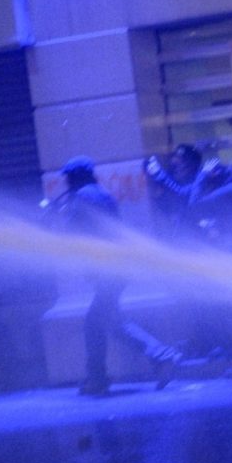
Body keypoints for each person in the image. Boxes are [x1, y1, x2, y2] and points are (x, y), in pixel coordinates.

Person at [55, 156, 182, 396]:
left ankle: (99, 379)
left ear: (74, 177)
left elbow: (73, 232)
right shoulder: (101, 194)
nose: (65, 183)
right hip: (116, 269)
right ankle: (161, 356)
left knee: (94, 324)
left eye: (67, 178)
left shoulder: (81, 197)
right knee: (114, 321)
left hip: (106, 271)